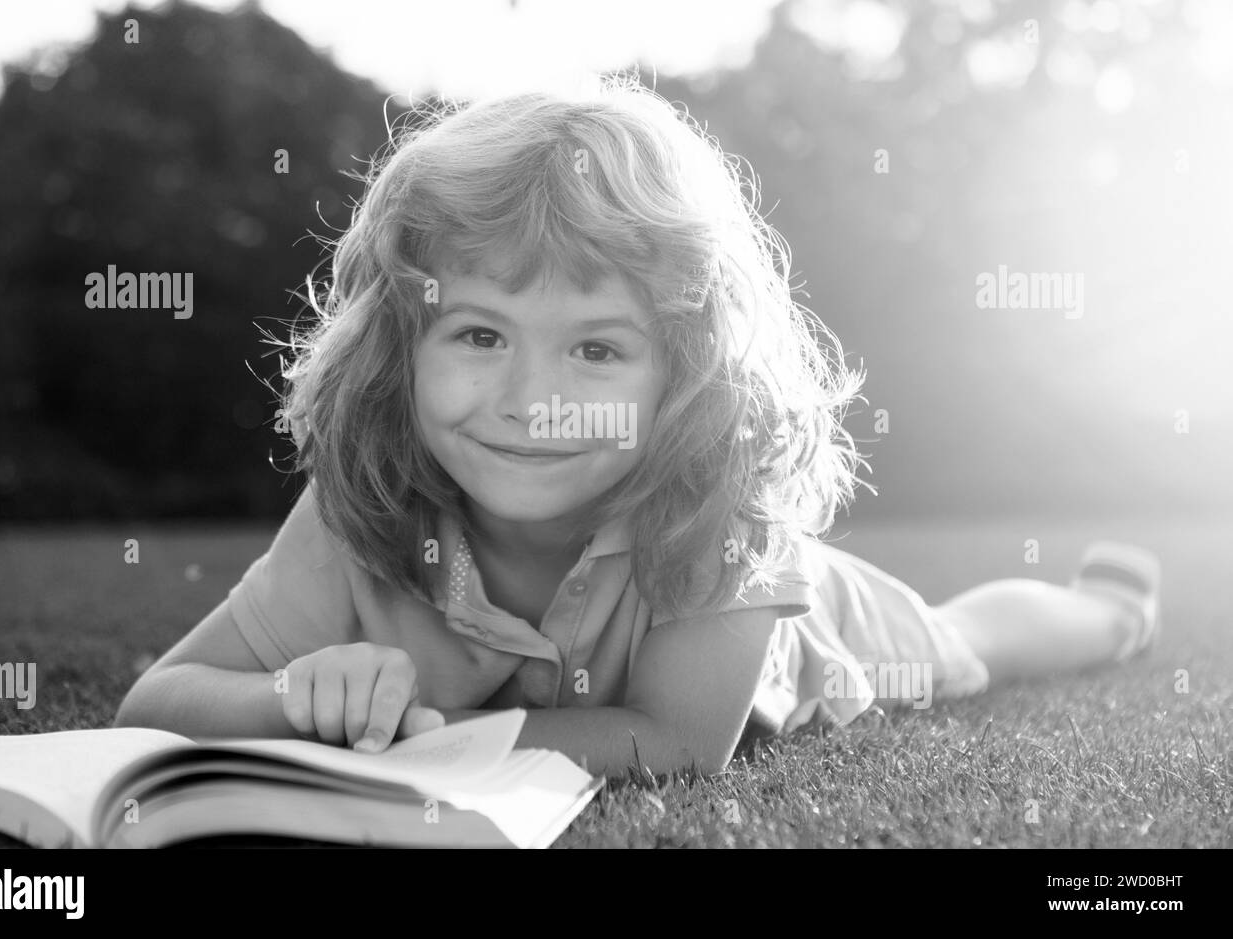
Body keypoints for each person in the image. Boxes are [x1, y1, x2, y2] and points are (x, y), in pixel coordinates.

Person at [114, 76, 1160, 780]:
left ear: (685, 369)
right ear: (400, 346)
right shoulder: (365, 510)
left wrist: (421, 745)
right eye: (479, 334)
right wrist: (294, 702)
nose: (532, 400)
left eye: (597, 349)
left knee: (960, 642)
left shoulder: (718, 509)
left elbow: (672, 741)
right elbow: (154, 705)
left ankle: (1106, 612)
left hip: (823, 632)